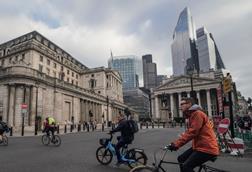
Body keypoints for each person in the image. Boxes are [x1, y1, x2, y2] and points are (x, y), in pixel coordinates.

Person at [167, 97, 219, 172]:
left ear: (189, 104)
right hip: (199, 146)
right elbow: (190, 132)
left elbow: (193, 132)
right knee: (181, 158)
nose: (180, 106)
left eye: (182, 104)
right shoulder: (192, 115)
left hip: (207, 148)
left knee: (186, 167)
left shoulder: (197, 114)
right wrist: (175, 143)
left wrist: (176, 144)